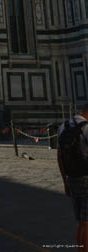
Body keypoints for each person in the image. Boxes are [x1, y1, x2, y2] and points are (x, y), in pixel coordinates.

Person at [58, 103, 88, 252]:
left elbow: (59, 157)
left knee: (81, 223)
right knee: (87, 224)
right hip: (86, 179)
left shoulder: (64, 126)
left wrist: (65, 182)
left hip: (72, 179)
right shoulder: (86, 127)